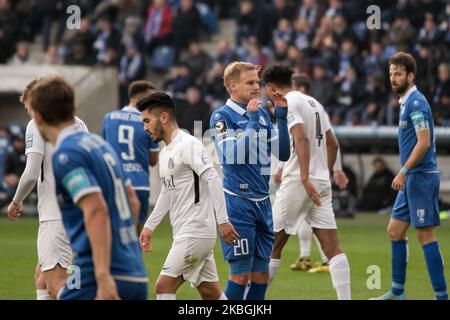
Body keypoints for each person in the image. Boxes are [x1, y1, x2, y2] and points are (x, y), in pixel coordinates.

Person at [28, 76, 147, 300]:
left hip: (99, 277)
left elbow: (96, 210)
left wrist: (103, 275)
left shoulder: (67, 155)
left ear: (37, 117)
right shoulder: (101, 146)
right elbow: (132, 201)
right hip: (133, 271)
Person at [137, 93, 239, 300]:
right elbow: (168, 191)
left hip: (196, 230)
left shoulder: (188, 144)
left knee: (164, 286)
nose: (145, 127)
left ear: (164, 117)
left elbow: (212, 178)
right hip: (186, 230)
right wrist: (149, 226)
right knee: (210, 292)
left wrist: (223, 220)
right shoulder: (166, 151)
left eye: (147, 120)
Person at [263, 64, 351, 300]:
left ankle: (251, 302)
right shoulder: (315, 104)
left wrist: (304, 176)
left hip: (299, 182)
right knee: (332, 247)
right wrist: (325, 172)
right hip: (321, 181)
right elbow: (333, 144)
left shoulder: (289, 102)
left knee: (271, 245)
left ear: (270, 87)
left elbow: (300, 138)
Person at [209, 61, 290, 300]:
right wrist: (253, 123)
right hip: (238, 203)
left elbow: (283, 153)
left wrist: (282, 120)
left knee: (261, 276)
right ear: (232, 86)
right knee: (240, 276)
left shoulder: (262, 113)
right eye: (250, 82)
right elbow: (231, 157)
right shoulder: (222, 117)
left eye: (258, 82)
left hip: (263, 202)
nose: (257, 87)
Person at [372, 52, 447, 300]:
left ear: (410, 75)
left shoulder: (416, 103)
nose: (393, 78)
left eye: (398, 74)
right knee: (395, 230)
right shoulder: (406, 102)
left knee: (425, 235)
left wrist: (403, 170)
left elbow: (424, 142)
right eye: (391, 74)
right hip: (413, 178)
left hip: (421, 177)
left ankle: (441, 296)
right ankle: (397, 292)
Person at [7, 79, 88, 300]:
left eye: (29, 108)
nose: (30, 114)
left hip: (55, 214)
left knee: (57, 285)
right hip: (78, 212)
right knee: (42, 276)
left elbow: (31, 172)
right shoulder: (79, 123)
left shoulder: (37, 124)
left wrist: (16, 200)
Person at [102, 80, 159, 234]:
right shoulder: (148, 122)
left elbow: (105, 152)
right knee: (135, 240)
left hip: (116, 183)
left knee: (116, 236)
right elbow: (153, 161)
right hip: (140, 184)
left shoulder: (109, 118)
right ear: (144, 98)